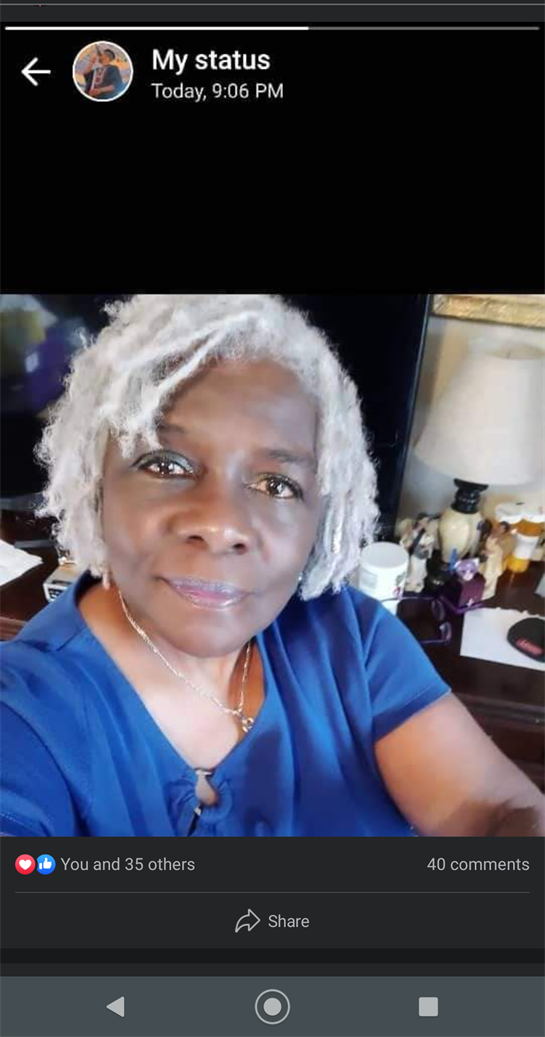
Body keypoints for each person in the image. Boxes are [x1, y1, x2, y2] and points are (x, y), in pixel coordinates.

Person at [0, 294, 543, 837]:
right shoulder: (24, 712)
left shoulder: (352, 640)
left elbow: (498, 812)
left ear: (320, 518)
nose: (222, 524)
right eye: (165, 463)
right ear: (96, 485)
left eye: (276, 484)